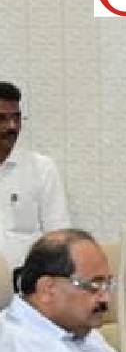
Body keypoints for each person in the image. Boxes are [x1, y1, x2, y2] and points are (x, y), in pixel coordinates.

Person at [0, 80, 74, 269]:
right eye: (2, 118)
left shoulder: (41, 168)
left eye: (16, 118)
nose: (12, 126)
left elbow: (59, 238)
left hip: (26, 281)